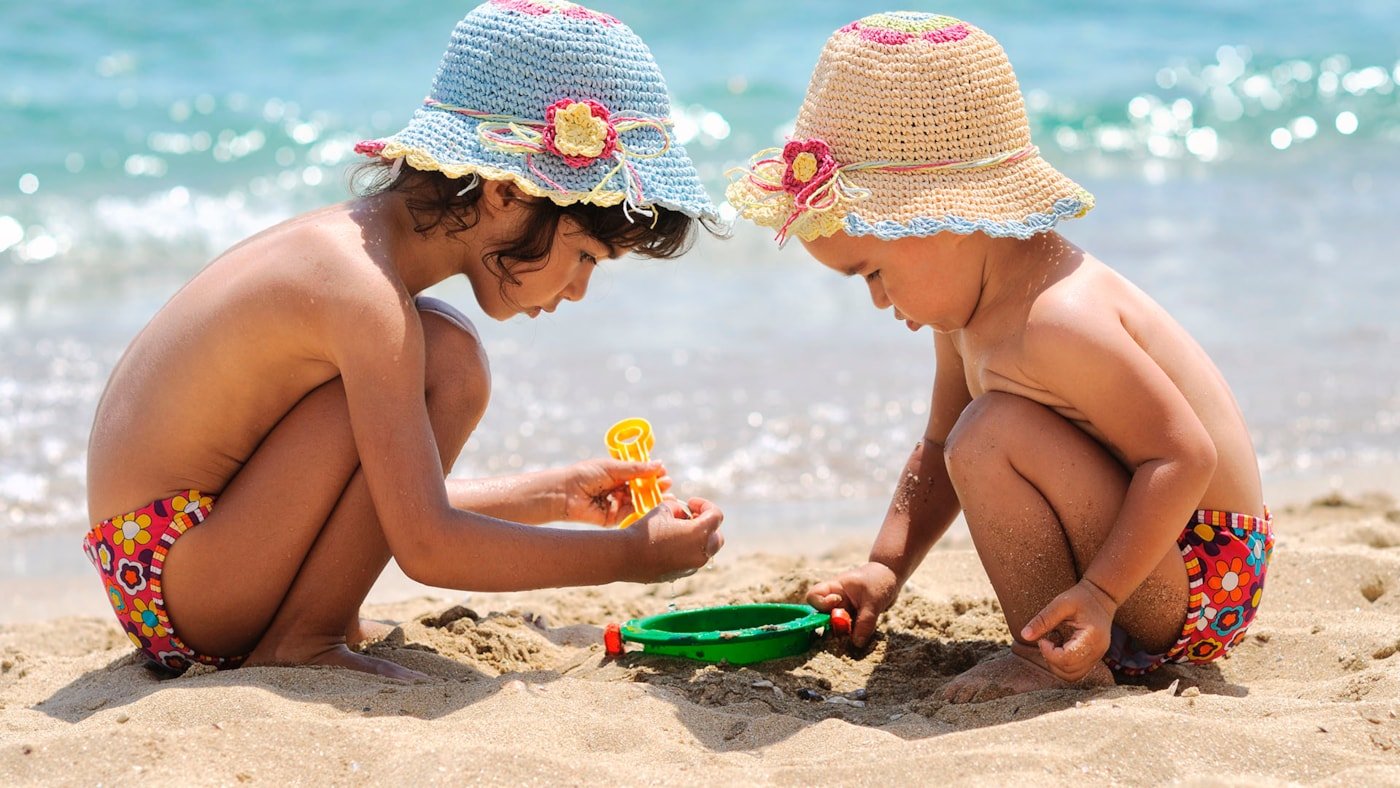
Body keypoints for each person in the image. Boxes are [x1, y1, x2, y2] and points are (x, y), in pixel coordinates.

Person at [82, 0, 725, 682]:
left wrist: (553, 495)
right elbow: (426, 544)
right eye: (588, 257)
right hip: (188, 580)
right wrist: (632, 559)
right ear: (507, 192)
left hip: (166, 569)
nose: (578, 291)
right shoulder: (363, 294)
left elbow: (376, 490)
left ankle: (311, 620)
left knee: (442, 346)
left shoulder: (355, 252)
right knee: (450, 360)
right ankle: (305, 636)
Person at [727, 12, 1272, 703]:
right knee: (971, 433)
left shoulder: (1058, 320)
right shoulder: (967, 307)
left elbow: (1184, 457)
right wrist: (885, 568)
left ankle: (1047, 658)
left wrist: (1102, 596)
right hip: (1149, 554)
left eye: (872, 272)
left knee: (990, 433)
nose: (875, 301)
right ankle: (1063, 631)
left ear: (943, 219)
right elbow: (935, 448)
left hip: (1198, 572)